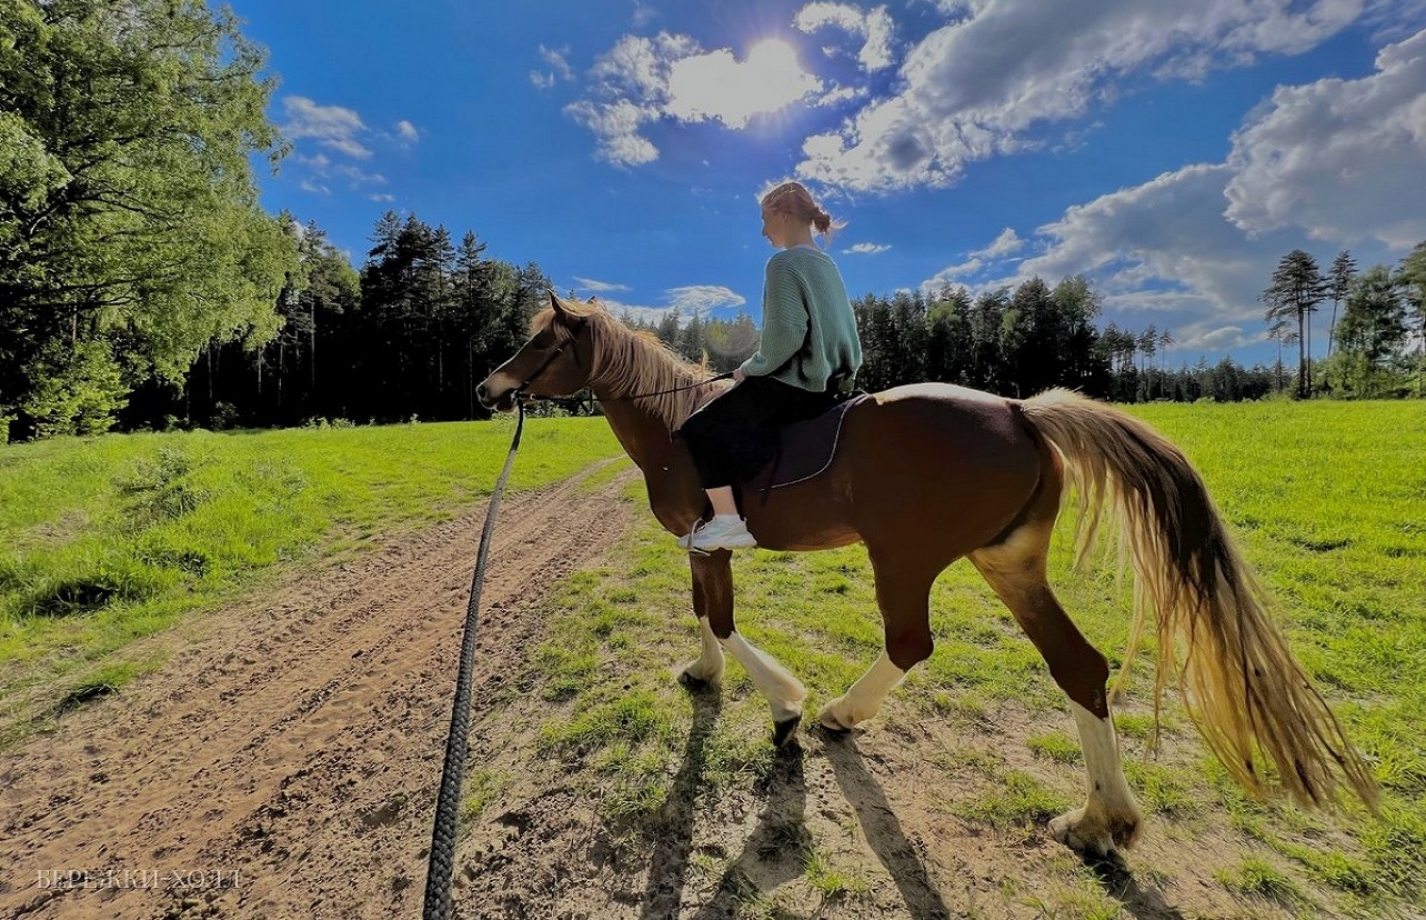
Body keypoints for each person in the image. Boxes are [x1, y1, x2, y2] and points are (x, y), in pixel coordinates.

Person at [676, 180, 863, 552]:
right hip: (833, 386)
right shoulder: (826, 264)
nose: (763, 230)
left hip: (797, 385)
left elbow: (786, 336)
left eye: (765, 219)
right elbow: (846, 330)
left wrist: (751, 367)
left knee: (698, 427)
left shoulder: (784, 262)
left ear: (783, 212)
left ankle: (728, 522)